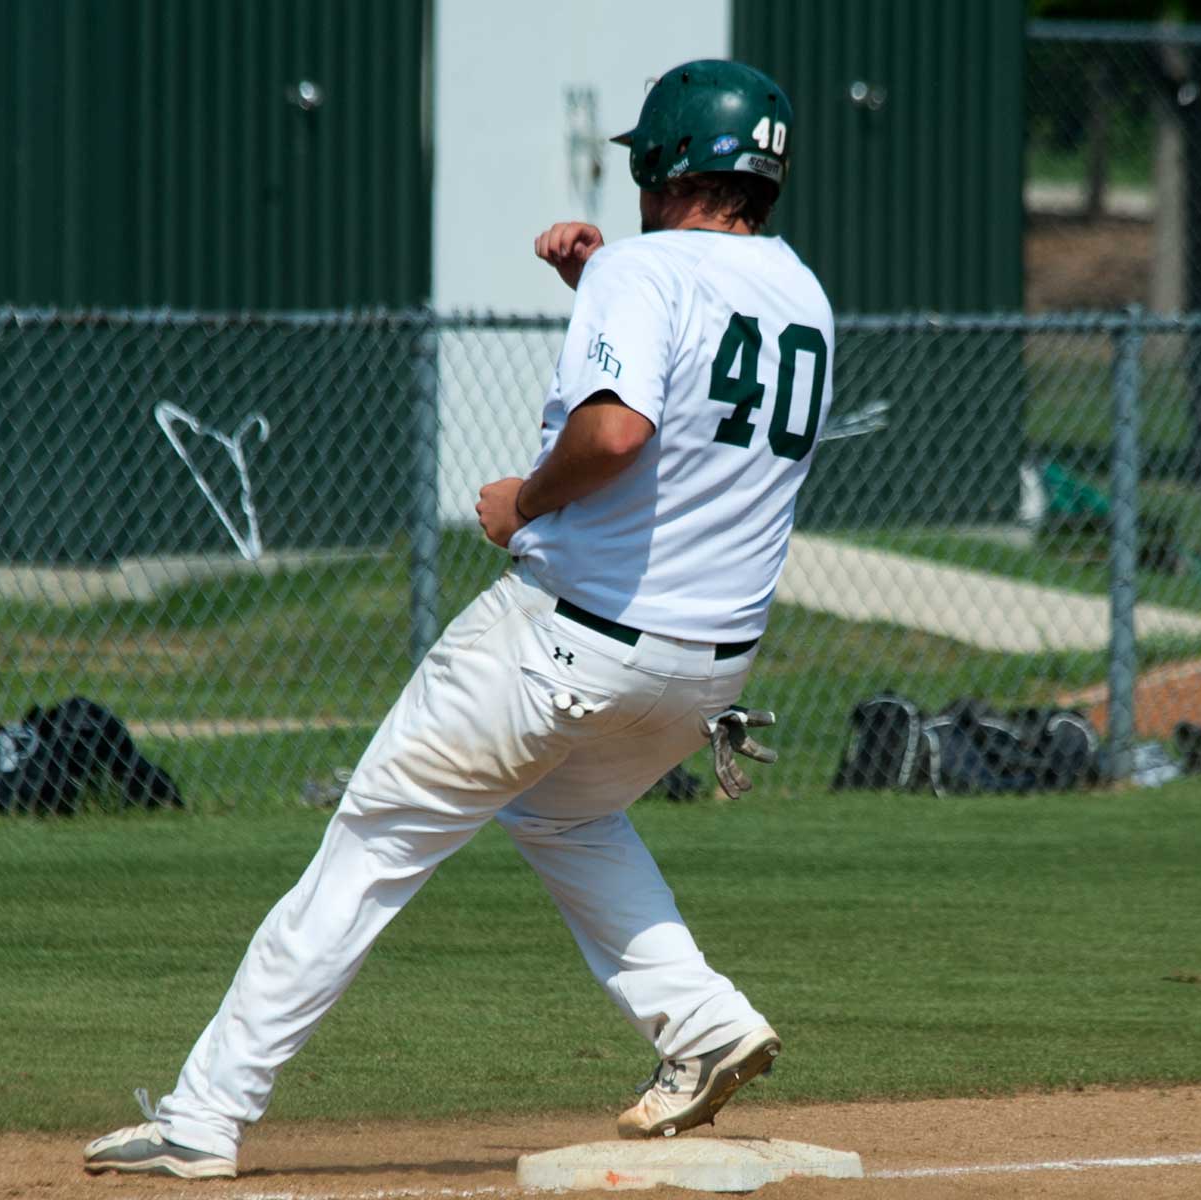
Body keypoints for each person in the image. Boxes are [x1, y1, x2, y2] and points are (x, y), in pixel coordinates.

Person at [84, 58, 832, 1179]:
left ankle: (203, 1117)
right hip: (705, 673)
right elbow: (697, 391)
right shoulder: (801, 292)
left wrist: (522, 501)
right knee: (565, 816)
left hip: (565, 641)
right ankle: (702, 1022)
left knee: (372, 845)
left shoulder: (642, 270)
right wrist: (604, 285)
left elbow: (619, 432)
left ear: (666, 162)